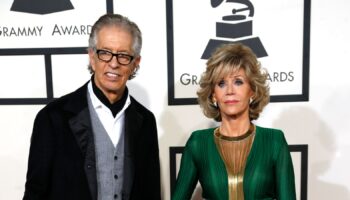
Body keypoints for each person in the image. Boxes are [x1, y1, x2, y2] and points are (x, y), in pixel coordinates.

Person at [23, 13, 161, 200]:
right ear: (91, 56)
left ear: (135, 63)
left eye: (123, 56)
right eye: (105, 53)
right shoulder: (52, 118)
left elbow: (151, 192)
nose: (113, 63)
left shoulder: (145, 121)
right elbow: (35, 192)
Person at [172, 43, 296, 200]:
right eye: (221, 83)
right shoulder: (198, 143)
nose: (230, 91)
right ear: (213, 94)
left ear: (252, 90)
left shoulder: (274, 142)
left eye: (238, 82)